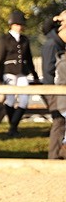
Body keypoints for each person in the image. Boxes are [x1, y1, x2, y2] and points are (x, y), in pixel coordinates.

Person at [0, 9, 39, 136]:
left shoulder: (25, 40)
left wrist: (35, 75)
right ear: (12, 25)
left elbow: (29, 59)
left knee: (25, 99)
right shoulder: (5, 39)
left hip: (22, 72)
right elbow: (1, 59)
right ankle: (13, 128)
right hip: (8, 72)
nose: (20, 27)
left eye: (21, 25)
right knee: (10, 99)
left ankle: (13, 126)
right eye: (17, 24)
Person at [43, 11, 66, 159]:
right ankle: (53, 157)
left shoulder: (59, 45)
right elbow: (48, 71)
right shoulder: (52, 45)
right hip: (54, 90)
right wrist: (52, 93)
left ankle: (59, 155)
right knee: (59, 121)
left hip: (59, 90)